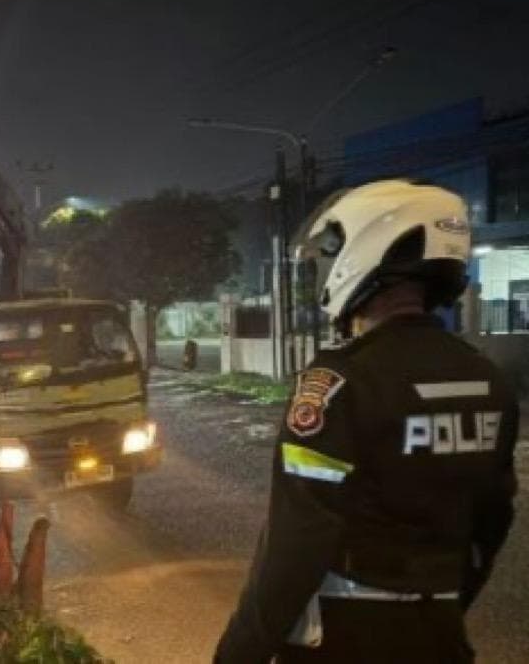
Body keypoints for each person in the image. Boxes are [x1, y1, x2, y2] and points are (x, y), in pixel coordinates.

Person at [215, 180, 519, 663]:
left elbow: (296, 543)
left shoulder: (338, 384)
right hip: (442, 636)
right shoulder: (488, 380)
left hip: (347, 640)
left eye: (328, 253)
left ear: (361, 250)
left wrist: (237, 653)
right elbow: (492, 521)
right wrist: (442, 604)